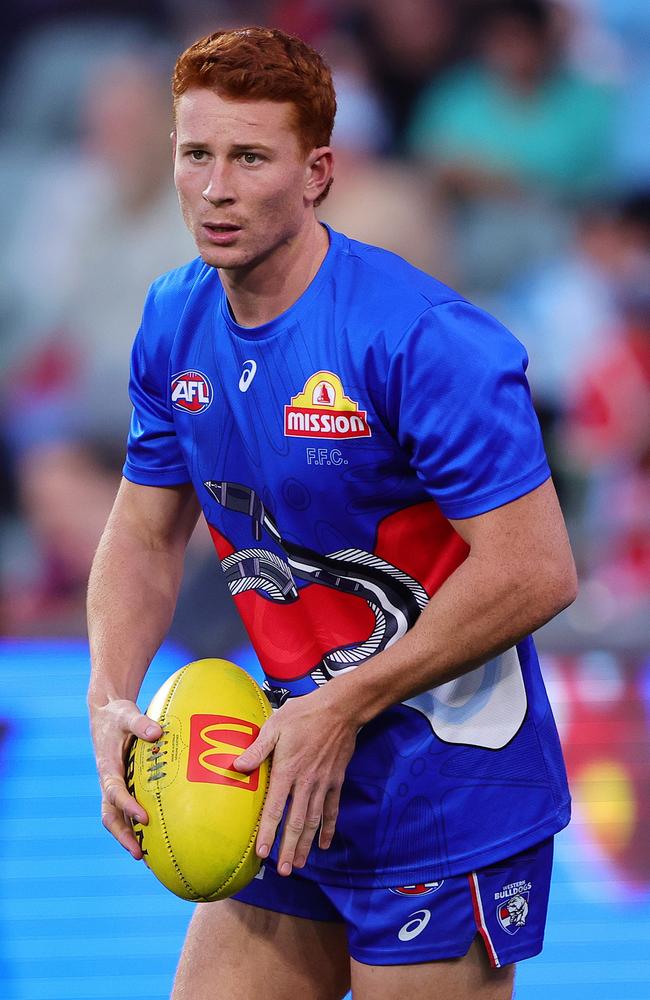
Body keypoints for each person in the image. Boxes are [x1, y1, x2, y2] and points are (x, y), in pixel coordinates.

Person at [87, 26, 577, 1000]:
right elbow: (144, 532)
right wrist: (109, 694)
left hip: (444, 789)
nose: (216, 188)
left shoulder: (422, 340)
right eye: (197, 154)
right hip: (286, 768)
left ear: (317, 173)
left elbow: (536, 568)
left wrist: (345, 703)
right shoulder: (173, 320)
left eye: (250, 157)